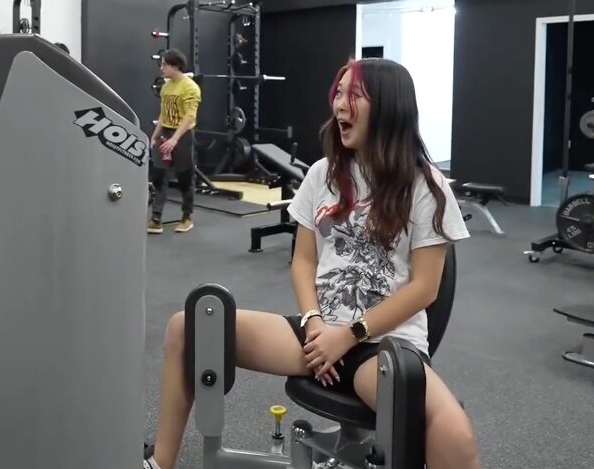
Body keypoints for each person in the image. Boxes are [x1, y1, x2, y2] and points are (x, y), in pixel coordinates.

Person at [143, 58, 480, 469]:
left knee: (453, 432)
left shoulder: (425, 185)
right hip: (316, 335)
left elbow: (425, 288)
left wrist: (349, 335)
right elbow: (303, 261)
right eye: (338, 93)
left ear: (389, 106)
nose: (339, 104)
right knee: (189, 327)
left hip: (383, 346)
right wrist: (314, 322)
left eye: (354, 95)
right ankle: (159, 462)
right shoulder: (324, 173)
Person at [147, 49, 201, 234]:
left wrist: (175, 139)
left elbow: (190, 116)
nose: (161, 68)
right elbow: (163, 114)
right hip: (166, 133)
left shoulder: (190, 87)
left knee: (185, 178)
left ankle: (187, 217)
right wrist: (155, 136)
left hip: (183, 135)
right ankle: (156, 219)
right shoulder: (166, 87)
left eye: (164, 65)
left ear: (175, 66)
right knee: (159, 176)